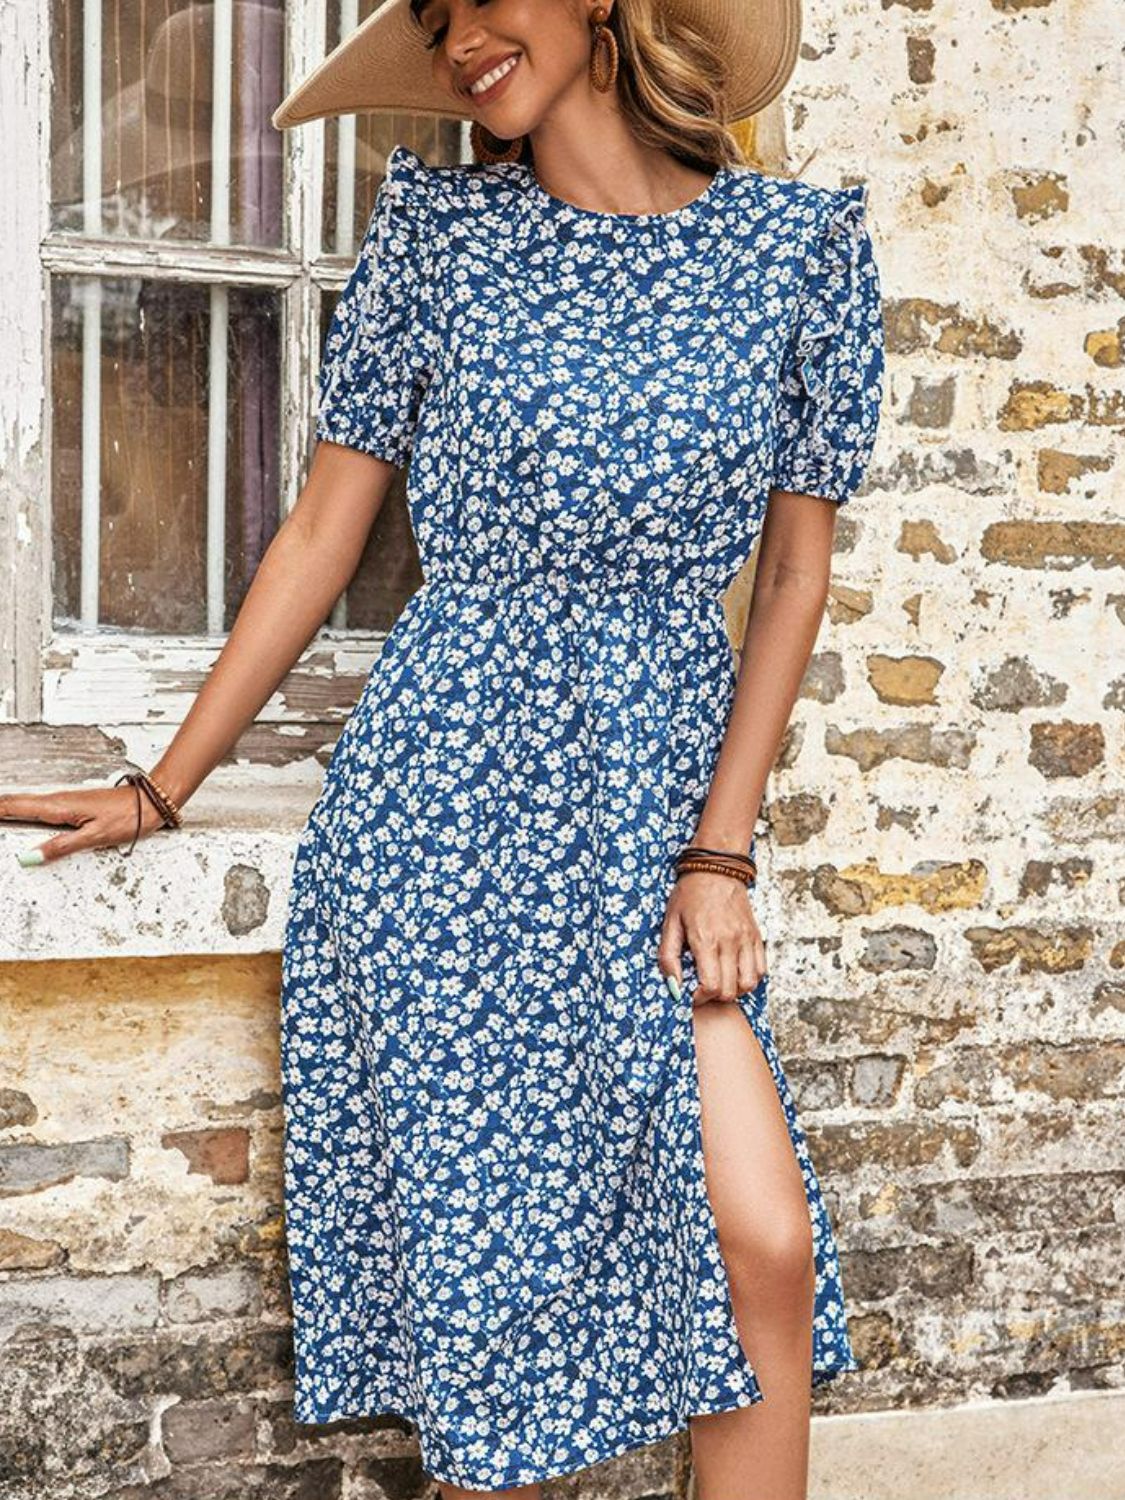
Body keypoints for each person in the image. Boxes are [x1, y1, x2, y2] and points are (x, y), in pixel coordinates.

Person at [4, 0, 885, 1495]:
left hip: (656, 799)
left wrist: (720, 850)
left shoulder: (794, 249)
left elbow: (793, 575)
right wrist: (164, 782)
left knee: (763, 1246)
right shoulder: (438, 239)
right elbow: (319, 534)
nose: (460, 36)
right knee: (495, 1296)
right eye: (433, 15)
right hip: (448, 798)